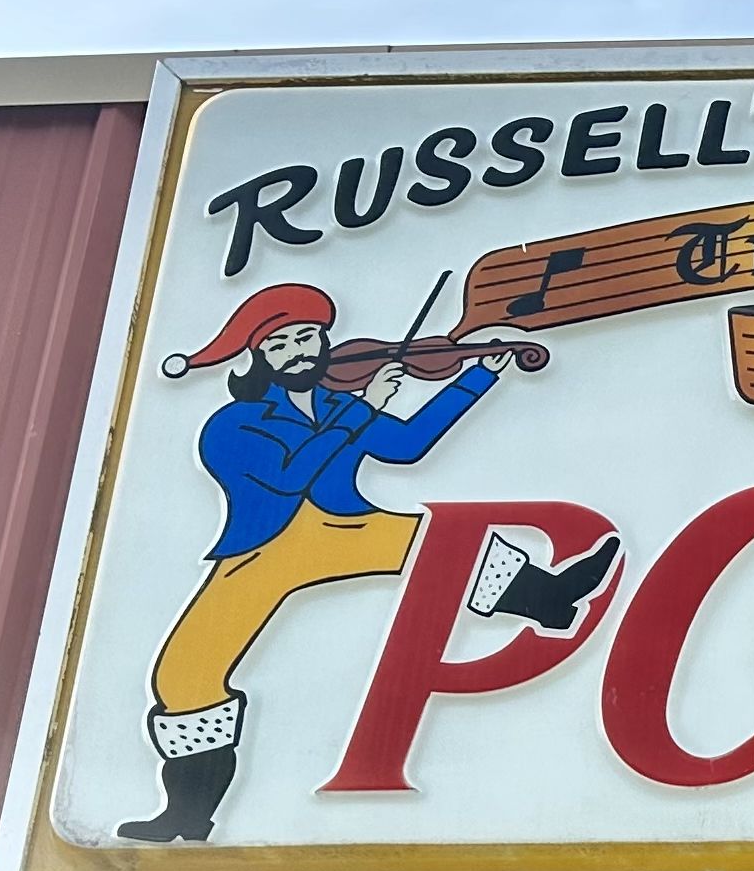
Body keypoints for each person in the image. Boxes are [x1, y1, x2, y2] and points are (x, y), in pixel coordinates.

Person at [118, 282, 576, 842]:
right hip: (263, 546)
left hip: (343, 525)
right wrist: (364, 412)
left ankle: (553, 598)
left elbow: (407, 447)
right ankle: (186, 815)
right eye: (281, 343)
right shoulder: (232, 425)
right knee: (185, 675)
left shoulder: (338, 403)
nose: (299, 351)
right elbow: (288, 478)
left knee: (447, 544)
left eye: (307, 337)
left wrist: (478, 377)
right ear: (258, 356)